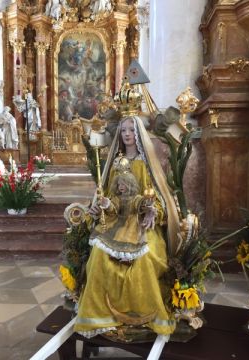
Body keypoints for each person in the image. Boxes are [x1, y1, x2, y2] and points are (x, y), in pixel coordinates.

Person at [73, 114, 181, 339]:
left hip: (141, 222)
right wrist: (100, 206)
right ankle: (99, 314)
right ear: (120, 135)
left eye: (132, 130)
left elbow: (159, 196)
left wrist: (153, 211)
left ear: (139, 133)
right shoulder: (114, 163)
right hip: (116, 221)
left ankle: (143, 312)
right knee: (99, 256)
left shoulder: (147, 163)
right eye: (124, 131)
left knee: (145, 258)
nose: (128, 134)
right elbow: (109, 196)